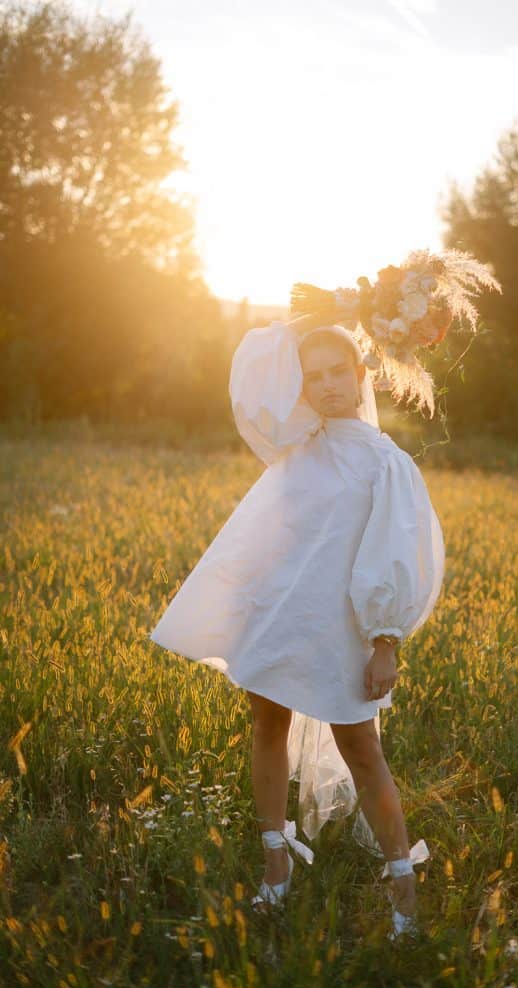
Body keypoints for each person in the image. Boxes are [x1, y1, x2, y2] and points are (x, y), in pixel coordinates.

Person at [148, 310, 445, 940]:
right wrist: (309, 319)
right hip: (283, 613)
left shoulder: (383, 463)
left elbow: (395, 551)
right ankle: (275, 868)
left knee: (362, 749)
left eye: (340, 371)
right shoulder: (295, 441)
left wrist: (385, 641)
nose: (329, 384)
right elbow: (254, 380)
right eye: (315, 377)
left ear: (363, 373)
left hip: (342, 628)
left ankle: (403, 892)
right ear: (302, 385)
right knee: (267, 725)